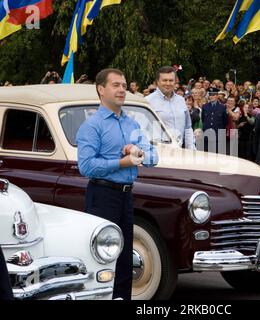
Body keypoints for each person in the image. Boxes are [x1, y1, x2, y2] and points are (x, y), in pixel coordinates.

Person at [76, 68, 159, 300]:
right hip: (102, 195)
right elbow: (86, 167)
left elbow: (153, 158)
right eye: (116, 85)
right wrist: (121, 162)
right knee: (101, 258)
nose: (122, 89)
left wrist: (138, 150)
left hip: (126, 196)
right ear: (101, 90)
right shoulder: (92, 126)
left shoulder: (133, 125)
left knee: (124, 261)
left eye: (124, 85)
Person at [146, 66, 195, 149]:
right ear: (157, 82)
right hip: (158, 153)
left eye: (171, 80)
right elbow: (143, 129)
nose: (168, 83)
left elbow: (187, 127)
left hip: (180, 152)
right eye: (164, 80)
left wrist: (191, 148)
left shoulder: (181, 100)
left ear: (175, 81)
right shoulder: (148, 101)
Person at [201, 87, 228, 153]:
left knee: (216, 155)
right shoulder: (205, 106)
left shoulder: (222, 107)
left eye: (213, 95)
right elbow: (203, 119)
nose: (211, 97)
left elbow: (225, 121)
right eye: (210, 95)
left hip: (217, 135)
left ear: (217, 96)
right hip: (207, 134)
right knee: (206, 155)